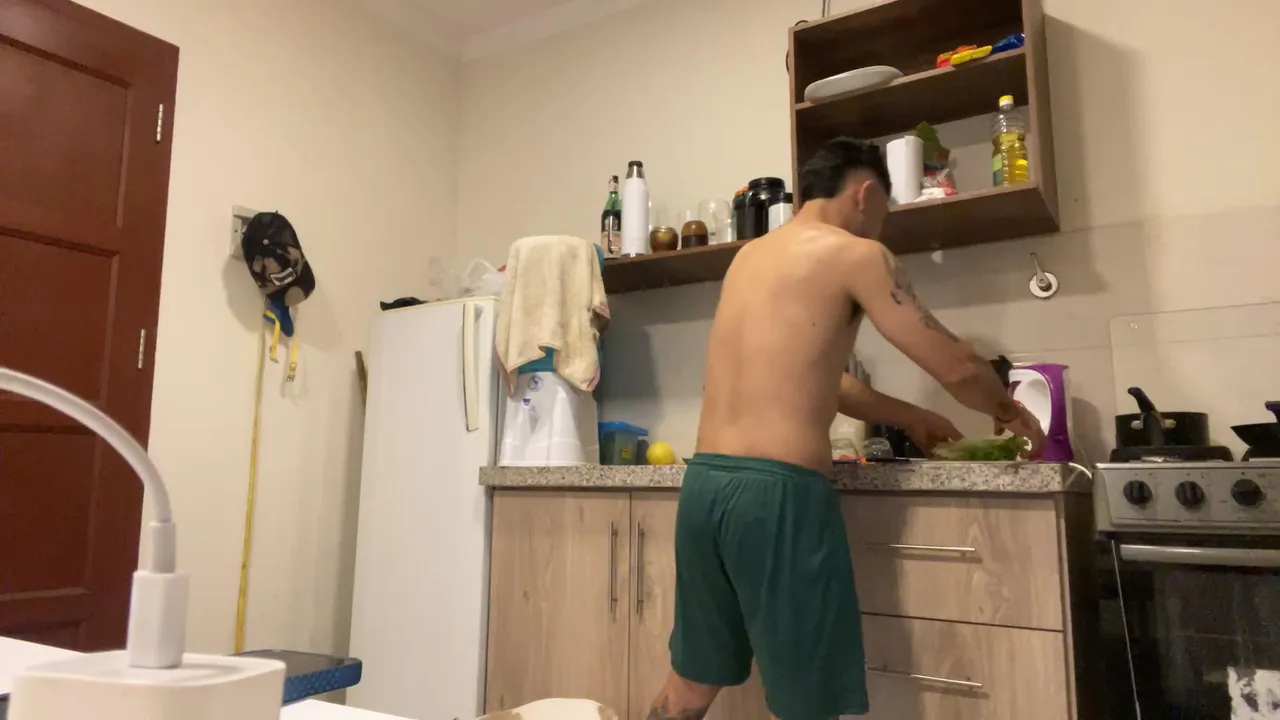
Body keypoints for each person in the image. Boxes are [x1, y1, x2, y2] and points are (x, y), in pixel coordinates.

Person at [644, 137, 1046, 720]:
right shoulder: (857, 254)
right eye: (884, 211)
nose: (882, 226)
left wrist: (911, 416)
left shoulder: (750, 258)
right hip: (776, 498)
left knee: (689, 685)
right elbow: (957, 365)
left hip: (706, 487)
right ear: (866, 193)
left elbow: (824, 381)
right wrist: (1010, 413)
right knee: (808, 704)